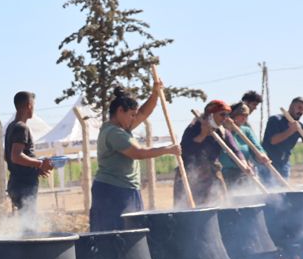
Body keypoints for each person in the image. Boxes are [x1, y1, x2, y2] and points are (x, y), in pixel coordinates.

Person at [89, 85, 179, 231]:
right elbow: (139, 153)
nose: (134, 119)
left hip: (126, 189)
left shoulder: (123, 127)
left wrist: (155, 93)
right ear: (119, 111)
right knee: (117, 234)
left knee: (132, 231)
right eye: (131, 115)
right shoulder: (114, 132)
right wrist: (167, 149)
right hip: (113, 191)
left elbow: (144, 112)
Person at [175, 100, 241, 207]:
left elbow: (235, 150)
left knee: (219, 205)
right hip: (191, 175)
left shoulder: (222, 131)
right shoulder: (194, 127)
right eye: (222, 114)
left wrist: (244, 164)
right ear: (211, 114)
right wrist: (202, 134)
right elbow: (184, 150)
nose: (225, 118)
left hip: (213, 174)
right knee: (190, 209)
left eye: (227, 115)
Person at [4, 90, 53, 212]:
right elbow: (16, 156)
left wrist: (34, 168)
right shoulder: (22, 128)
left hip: (15, 183)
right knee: (29, 225)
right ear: (29, 106)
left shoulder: (11, 126)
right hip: (24, 185)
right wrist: (40, 164)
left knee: (25, 222)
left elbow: (7, 156)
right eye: (33, 105)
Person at [262, 97, 303, 181]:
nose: (301, 112)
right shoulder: (275, 120)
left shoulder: (300, 127)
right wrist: (291, 130)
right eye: (299, 108)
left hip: (284, 163)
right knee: (270, 189)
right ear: (291, 106)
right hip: (268, 163)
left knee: (283, 190)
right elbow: (273, 140)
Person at [220, 102, 267, 188]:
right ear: (233, 116)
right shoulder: (222, 131)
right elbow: (226, 152)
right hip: (229, 172)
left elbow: (256, 146)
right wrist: (228, 129)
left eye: (246, 116)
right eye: (241, 115)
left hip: (246, 170)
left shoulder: (246, 130)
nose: (244, 118)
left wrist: (261, 154)